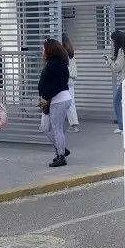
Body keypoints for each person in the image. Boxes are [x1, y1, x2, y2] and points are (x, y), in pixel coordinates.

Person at [38, 38, 73, 167]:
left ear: (50, 50)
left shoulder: (56, 64)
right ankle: (62, 148)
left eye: (44, 50)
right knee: (45, 126)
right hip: (53, 100)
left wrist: (45, 97)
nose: (43, 52)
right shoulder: (54, 63)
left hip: (58, 100)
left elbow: (55, 85)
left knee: (57, 128)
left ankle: (61, 156)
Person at [105, 29, 125, 134]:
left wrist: (109, 61)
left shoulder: (121, 50)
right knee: (122, 102)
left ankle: (122, 126)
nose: (112, 43)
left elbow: (117, 67)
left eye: (113, 41)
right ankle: (123, 126)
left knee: (117, 101)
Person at [62, 34, 80, 133]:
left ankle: (73, 125)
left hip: (66, 79)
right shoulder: (71, 51)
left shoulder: (62, 52)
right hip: (72, 79)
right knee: (71, 102)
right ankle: (74, 124)